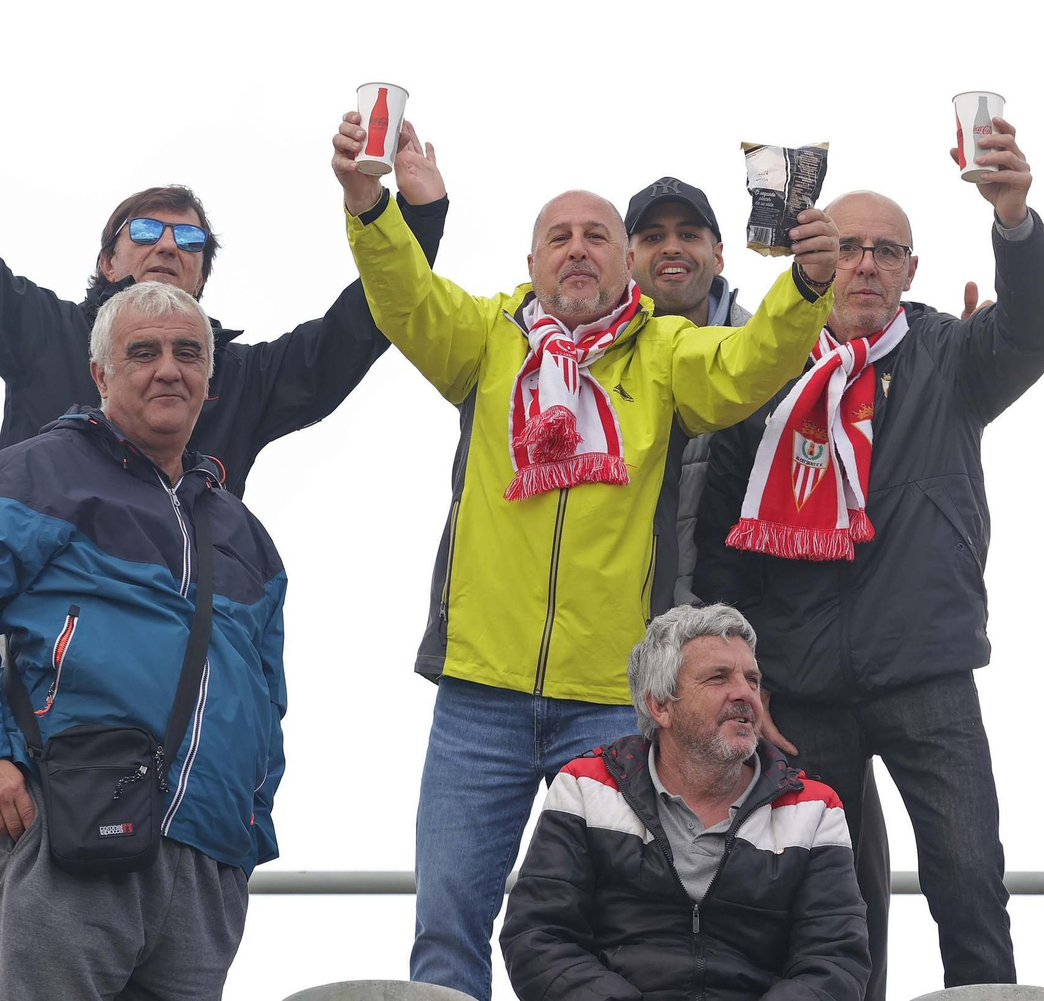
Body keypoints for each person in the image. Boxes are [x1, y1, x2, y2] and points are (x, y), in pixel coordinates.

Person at [0, 17, 447, 989]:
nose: (166, 248)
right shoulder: (43, 332)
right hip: (27, 617)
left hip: (156, 650)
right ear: (108, 263)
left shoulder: (232, 380)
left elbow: (350, 338)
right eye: (143, 232)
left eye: (188, 240)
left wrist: (416, 219)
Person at [331, 113, 840, 1001]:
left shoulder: (666, 350)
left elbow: (748, 364)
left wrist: (806, 286)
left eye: (597, 235)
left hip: (609, 695)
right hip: (479, 693)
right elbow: (405, 296)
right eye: (558, 236)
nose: (577, 248)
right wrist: (370, 206)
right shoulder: (485, 338)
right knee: (448, 924)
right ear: (531, 263)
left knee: (612, 934)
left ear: (625, 264)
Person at [693, 117, 1044, 988]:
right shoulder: (764, 369)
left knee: (968, 879)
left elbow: (1038, 329)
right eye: (850, 248)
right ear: (820, 259)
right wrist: (747, 679)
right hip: (800, 686)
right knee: (822, 903)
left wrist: (1013, 217)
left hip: (927, 671)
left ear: (911, 270)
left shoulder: (951, 355)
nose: (865, 264)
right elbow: (721, 549)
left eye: (886, 251)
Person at [0, 280, 284, 998]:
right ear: (101, 374)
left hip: (207, 859)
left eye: (188, 353)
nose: (168, 369)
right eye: (143, 352)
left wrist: (249, 831)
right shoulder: (34, 474)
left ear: (209, 381)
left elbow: (269, 696)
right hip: (65, 818)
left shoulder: (246, 536)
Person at [625, 175, 895, 1001]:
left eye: (690, 233)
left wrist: (752, 670)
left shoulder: (782, 345)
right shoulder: (575, 354)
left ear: (719, 250)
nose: (673, 249)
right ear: (631, 256)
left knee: (819, 855)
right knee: (634, 870)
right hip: (618, 654)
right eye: (653, 235)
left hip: (763, 662)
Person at [499, 603, 868, 1001]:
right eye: (718, 678)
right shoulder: (586, 788)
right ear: (660, 705)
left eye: (752, 679)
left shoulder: (814, 808)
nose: (745, 693)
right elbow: (538, 937)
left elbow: (835, 961)